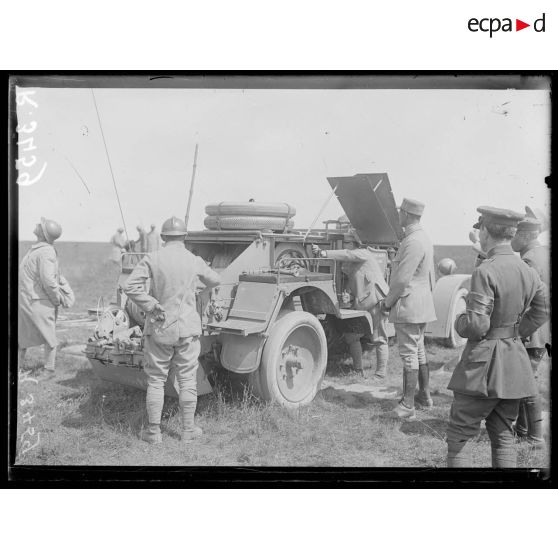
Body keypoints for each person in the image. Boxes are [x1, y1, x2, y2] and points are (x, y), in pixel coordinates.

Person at [446, 207, 549, 468]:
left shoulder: (485, 270)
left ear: (484, 231)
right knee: (504, 436)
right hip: (515, 363)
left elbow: (477, 325)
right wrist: (515, 333)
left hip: (483, 368)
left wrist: (460, 321)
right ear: (512, 232)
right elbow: (543, 309)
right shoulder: (528, 269)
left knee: (460, 435)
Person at [124, 216, 221, 445]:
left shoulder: (152, 258)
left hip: (159, 328)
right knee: (188, 380)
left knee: (156, 381)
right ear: (185, 237)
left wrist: (149, 304)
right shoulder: (194, 260)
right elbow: (216, 280)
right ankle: (188, 430)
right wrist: (198, 288)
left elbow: (130, 287)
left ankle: (153, 432)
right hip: (187, 328)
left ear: (163, 237)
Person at [379, 198, 437, 419]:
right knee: (419, 350)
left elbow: (402, 279)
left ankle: (407, 406)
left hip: (409, 303)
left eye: (400, 212)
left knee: (409, 354)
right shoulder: (421, 237)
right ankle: (424, 397)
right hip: (421, 303)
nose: (399, 215)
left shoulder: (412, 241)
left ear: (407, 214)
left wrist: (387, 302)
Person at [312, 237, 390, 379]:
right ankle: (358, 369)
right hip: (363, 302)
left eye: (347, 242)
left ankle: (380, 373)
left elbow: (348, 254)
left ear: (355, 243)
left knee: (379, 338)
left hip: (376, 300)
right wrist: (348, 293)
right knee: (352, 335)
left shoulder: (363, 253)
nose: (344, 245)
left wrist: (324, 253)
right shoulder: (353, 261)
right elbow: (352, 278)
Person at [510, 216, 550, 448]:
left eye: (514, 234)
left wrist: (519, 330)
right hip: (541, 331)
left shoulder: (529, 259)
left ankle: (535, 437)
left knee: (526, 382)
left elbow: (527, 301)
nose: (511, 238)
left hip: (532, 330)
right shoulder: (541, 253)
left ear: (525, 235)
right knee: (526, 379)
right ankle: (523, 429)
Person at [18, 217, 72, 375]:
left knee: (49, 337)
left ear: (43, 233)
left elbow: (48, 280)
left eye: (39, 225)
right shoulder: (37, 249)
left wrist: (55, 300)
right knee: (22, 336)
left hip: (39, 301)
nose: (36, 224)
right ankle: (16, 368)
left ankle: (49, 370)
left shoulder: (46, 251)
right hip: (28, 301)